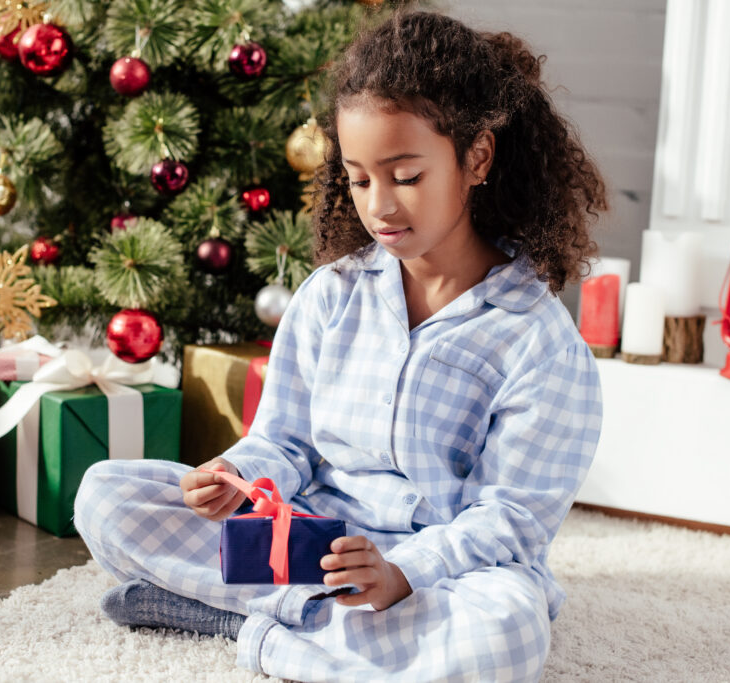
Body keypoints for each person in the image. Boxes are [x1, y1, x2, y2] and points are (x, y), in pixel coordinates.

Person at [74, 9, 607, 682]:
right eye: (359, 179)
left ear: (477, 157)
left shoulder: (538, 340)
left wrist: (402, 573)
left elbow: (510, 519)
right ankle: (330, 630)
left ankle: (244, 624)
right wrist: (238, 476)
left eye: (405, 176)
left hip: (441, 568)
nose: (379, 205)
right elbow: (285, 443)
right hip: (313, 539)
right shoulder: (332, 294)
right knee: (106, 496)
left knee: (506, 635)